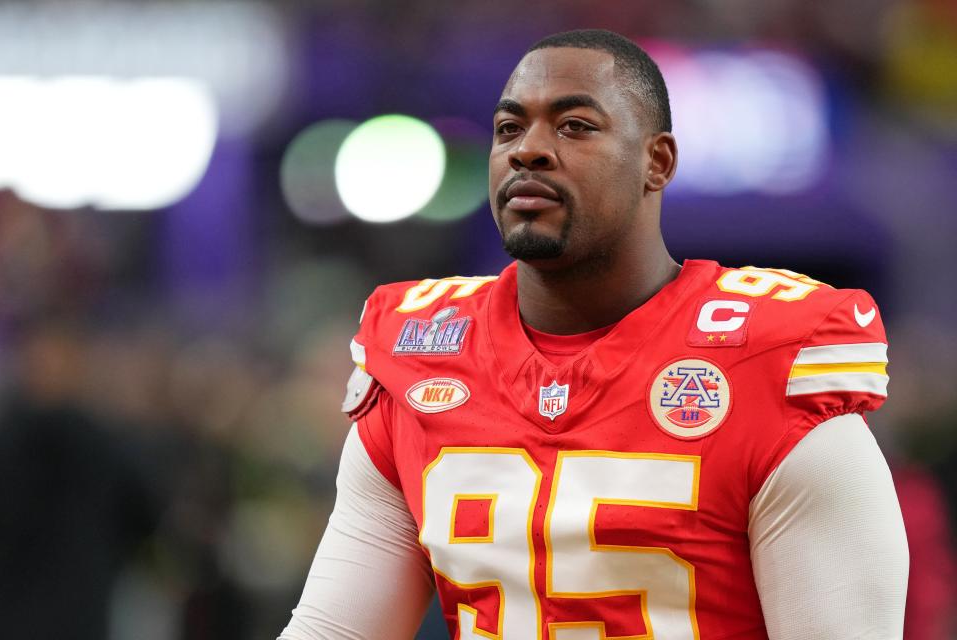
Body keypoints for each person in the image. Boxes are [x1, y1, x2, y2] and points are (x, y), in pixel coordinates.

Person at [280, 29, 909, 639]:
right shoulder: (418, 358)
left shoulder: (769, 357)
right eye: (508, 128)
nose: (528, 149)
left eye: (574, 125)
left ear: (655, 161)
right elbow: (334, 629)